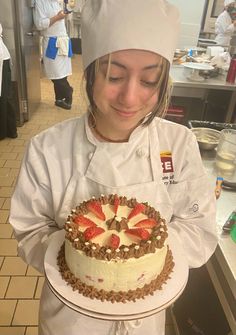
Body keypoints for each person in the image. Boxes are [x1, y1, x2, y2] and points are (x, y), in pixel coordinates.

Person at [10, 1, 218, 334]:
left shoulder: (178, 144)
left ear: (164, 82)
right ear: (89, 73)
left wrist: (139, 263)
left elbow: (198, 224)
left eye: (149, 80)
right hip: (70, 320)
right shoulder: (47, 149)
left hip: (147, 318)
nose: (130, 98)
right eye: (115, 76)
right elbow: (29, 228)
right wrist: (79, 257)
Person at [33, 0, 74, 110]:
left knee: (62, 73)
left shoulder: (57, 2)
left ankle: (59, 99)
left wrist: (66, 12)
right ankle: (68, 91)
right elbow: (39, 24)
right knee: (55, 73)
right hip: (52, 42)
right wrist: (57, 17)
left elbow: (65, 18)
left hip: (63, 40)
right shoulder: (40, 3)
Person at [0, 23, 17, 140]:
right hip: (3, 57)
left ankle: (8, 131)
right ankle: (10, 131)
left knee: (4, 96)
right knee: (5, 96)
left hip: (2, 58)